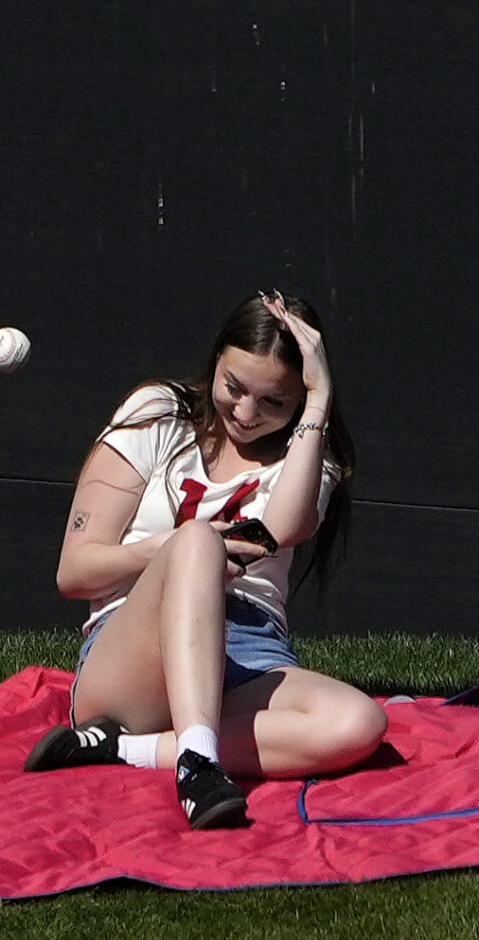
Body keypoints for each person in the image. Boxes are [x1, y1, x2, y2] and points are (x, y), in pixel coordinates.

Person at [26, 291, 388, 828]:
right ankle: (196, 761)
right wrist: (174, 551)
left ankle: (124, 750)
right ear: (214, 359)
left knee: (358, 723)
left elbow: (286, 526)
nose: (246, 413)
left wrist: (321, 399)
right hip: (133, 655)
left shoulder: (311, 450)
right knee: (197, 540)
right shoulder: (159, 413)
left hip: (247, 650)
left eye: (275, 403)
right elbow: (74, 572)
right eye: (234, 387)